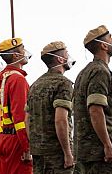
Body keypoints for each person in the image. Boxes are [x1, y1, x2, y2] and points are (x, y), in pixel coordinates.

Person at [74, 25, 112, 174]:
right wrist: (108, 145)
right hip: (99, 154)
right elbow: (95, 111)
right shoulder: (99, 72)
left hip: (87, 151)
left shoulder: (84, 73)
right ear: (103, 45)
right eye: (110, 38)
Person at [27, 41, 76, 174]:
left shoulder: (35, 85)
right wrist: (68, 153)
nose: (69, 57)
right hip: (57, 155)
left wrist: (34, 147)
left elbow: (27, 119)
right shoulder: (63, 83)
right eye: (66, 54)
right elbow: (61, 120)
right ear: (60, 59)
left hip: (39, 154)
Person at [0, 37, 33, 173]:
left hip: (4, 138)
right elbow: (20, 118)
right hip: (16, 141)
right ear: (16, 55)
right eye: (23, 49)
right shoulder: (18, 79)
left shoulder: (0, 78)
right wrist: (26, 147)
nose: (25, 52)